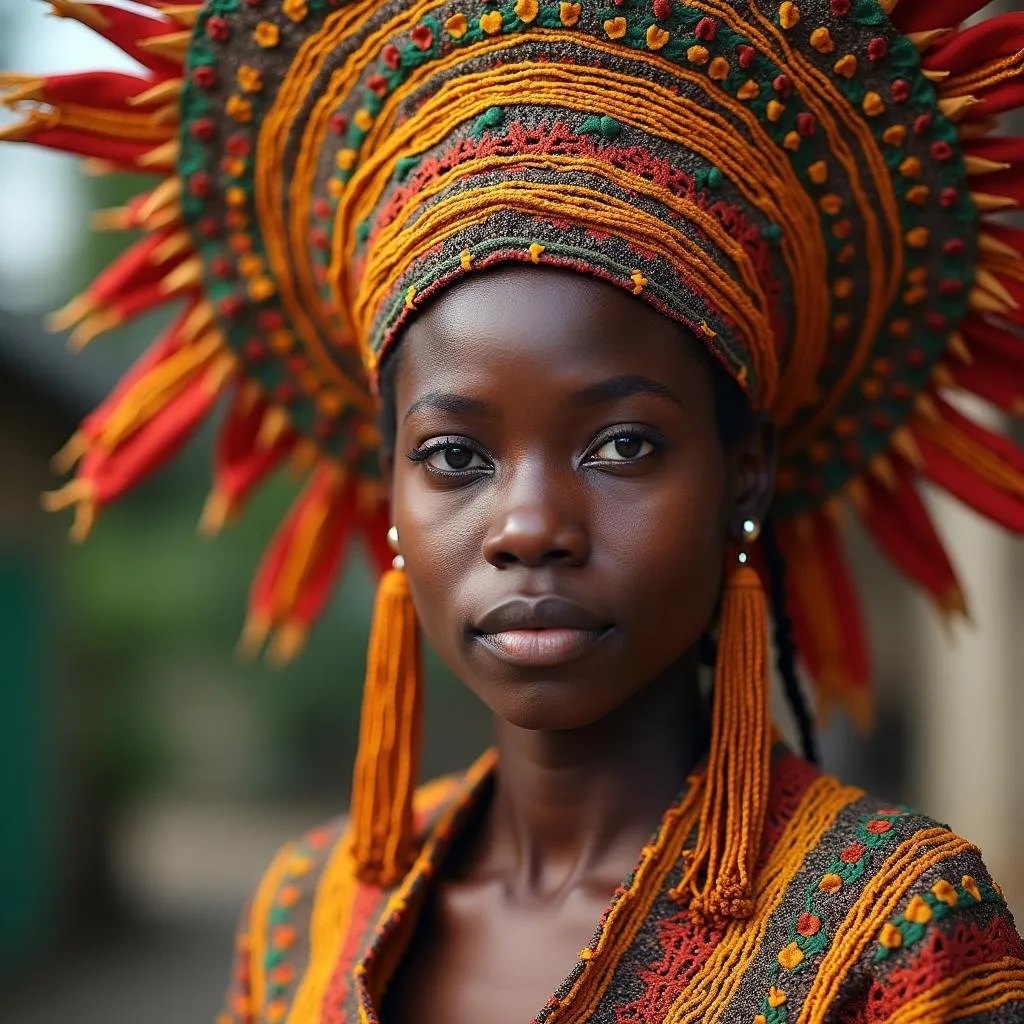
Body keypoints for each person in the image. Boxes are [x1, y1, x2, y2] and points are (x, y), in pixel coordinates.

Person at [4, 0, 1024, 1020]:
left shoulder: (900, 938)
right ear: (392, 491)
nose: (529, 525)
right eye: (454, 455)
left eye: (622, 444)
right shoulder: (299, 917)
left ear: (742, 475)